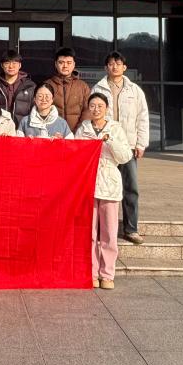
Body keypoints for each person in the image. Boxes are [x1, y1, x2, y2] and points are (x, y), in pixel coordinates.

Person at [93, 51, 150, 246]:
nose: (114, 67)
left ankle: (131, 229)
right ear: (105, 67)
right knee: (102, 188)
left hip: (127, 146)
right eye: (111, 64)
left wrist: (141, 144)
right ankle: (101, 230)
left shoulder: (134, 90)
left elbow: (143, 118)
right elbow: (92, 115)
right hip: (105, 146)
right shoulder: (98, 88)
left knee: (130, 188)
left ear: (124, 67)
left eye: (118, 63)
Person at [76, 92, 132, 290]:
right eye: (92, 106)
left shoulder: (115, 128)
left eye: (100, 106)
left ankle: (107, 274)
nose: (96, 109)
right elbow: (75, 152)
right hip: (88, 184)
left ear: (106, 108)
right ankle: (91, 272)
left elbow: (125, 156)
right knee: (89, 233)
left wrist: (110, 140)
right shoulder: (83, 128)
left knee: (109, 232)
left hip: (109, 183)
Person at [44, 47, 91, 132]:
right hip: (53, 134)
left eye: (69, 63)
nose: (65, 66)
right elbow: (42, 109)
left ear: (74, 64)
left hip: (77, 134)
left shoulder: (82, 86)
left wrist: (78, 132)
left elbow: (87, 111)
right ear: (55, 64)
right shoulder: (47, 85)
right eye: (61, 62)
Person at [0, 50, 36, 128]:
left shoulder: (30, 86)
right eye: (7, 63)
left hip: (22, 129)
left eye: (14, 63)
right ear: (2, 65)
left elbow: (34, 111)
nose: (11, 66)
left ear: (20, 65)